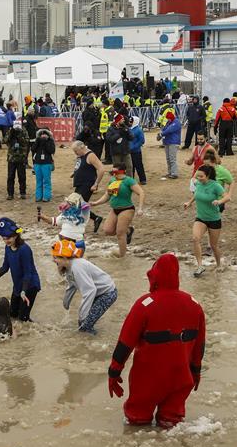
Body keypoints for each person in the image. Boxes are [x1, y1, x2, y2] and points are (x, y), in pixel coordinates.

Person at [107, 253, 206, 429]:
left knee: (137, 423)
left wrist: (114, 371)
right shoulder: (194, 305)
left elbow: (125, 342)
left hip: (147, 380)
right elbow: (199, 346)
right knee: (171, 424)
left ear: (154, 276)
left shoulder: (145, 304)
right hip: (181, 379)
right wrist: (196, 371)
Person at [0, 218, 41, 322]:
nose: (6, 241)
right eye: (3, 238)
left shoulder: (24, 249)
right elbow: (5, 267)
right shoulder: (7, 247)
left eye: (9, 238)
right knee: (12, 315)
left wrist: (24, 291)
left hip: (29, 286)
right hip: (17, 286)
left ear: (16, 235)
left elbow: (28, 273)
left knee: (23, 318)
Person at [51, 239, 117, 335]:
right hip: (100, 293)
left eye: (56, 257)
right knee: (83, 324)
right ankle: (89, 338)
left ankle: (96, 345)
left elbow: (90, 291)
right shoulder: (69, 267)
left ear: (64, 257)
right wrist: (66, 302)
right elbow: (72, 285)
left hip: (108, 294)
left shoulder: (76, 267)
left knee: (84, 327)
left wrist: (82, 315)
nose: (53, 260)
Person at [91, 167, 145, 258]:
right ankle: (128, 231)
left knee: (120, 234)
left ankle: (122, 256)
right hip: (114, 209)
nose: (114, 174)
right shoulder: (112, 180)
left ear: (121, 172)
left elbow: (141, 193)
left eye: (115, 172)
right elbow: (107, 195)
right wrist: (96, 203)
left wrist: (140, 208)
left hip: (127, 209)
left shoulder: (129, 181)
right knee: (108, 231)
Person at [183, 164, 226, 277]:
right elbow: (196, 195)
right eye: (197, 176)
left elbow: (227, 197)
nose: (198, 179)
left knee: (213, 245)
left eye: (201, 176)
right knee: (195, 238)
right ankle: (200, 266)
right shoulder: (198, 184)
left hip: (214, 219)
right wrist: (189, 202)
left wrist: (219, 202)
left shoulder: (216, 186)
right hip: (201, 218)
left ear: (208, 176)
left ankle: (219, 264)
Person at [38, 191, 91, 256]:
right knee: (69, 263)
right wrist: (42, 216)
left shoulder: (82, 214)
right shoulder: (66, 214)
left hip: (70, 242)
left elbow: (86, 206)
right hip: (70, 243)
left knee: (68, 262)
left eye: (69, 203)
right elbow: (53, 221)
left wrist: (80, 200)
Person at [71, 141, 106, 233]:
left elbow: (101, 169)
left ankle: (79, 227)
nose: (75, 153)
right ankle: (96, 218)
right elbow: (81, 166)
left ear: (81, 148)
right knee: (79, 205)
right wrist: (74, 173)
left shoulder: (90, 155)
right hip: (80, 183)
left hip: (87, 184)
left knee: (77, 205)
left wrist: (96, 183)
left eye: (76, 151)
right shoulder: (81, 155)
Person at [4, 122, 30, 200]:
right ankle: (10, 194)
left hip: (21, 158)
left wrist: (19, 136)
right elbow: (4, 140)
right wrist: (11, 134)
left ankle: (23, 192)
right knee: (10, 176)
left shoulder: (24, 131)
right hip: (11, 158)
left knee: (22, 176)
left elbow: (26, 142)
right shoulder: (10, 130)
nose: (17, 129)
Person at [32, 127, 56, 202]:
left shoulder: (51, 141)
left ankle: (46, 196)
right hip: (37, 163)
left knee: (46, 181)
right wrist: (38, 141)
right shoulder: (37, 140)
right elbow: (33, 149)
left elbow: (51, 150)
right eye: (42, 134)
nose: (43, 135)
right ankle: (38, 197)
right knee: (38, 181)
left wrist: (45, 142)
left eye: (45, 134)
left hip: (47, 163)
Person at [159, 111, 181, 179]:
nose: (168, 119)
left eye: (168, 118)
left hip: (173, 142)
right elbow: (165, 129)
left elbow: (169, 130)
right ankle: (170, 172)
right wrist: (161, 133)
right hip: (168, 141)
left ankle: (174, 173)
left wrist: (161, 134)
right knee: (168, 158)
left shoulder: (176, 122)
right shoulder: (169, 122)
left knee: (172, 158)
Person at [128, 116, 147, 185]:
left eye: (131, 121)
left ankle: (143, 179)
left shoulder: (138, 130)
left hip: (136, 151)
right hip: (129, 151)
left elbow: (142, 140)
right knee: (130, 166)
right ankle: (131, 179)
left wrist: (134, 147)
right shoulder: (129, 129)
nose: (130, 122)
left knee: (139, 165)